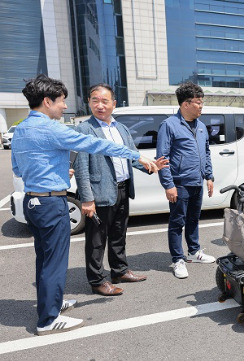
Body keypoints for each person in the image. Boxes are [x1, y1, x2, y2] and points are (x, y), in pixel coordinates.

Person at [11, 74, 159, 336]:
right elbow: (95, 144)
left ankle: (52, 304)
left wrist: (55, 171)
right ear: (47, 101)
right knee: (55, 262)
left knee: (44, 259)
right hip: (50, 203)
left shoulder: (21, 127)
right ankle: (47, 319)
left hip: (33, 201)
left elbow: (18, 168)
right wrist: (136, 154)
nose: (65, 107)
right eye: (61, 102)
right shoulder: (52, 128)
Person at [74, 83, 168, 296]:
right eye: (95, 100)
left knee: (119, 234)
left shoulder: (121, 128)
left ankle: (119, 270)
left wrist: (151, 166)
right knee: (97, 240)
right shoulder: (85, 129)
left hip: (123, 189)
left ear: (113, 104)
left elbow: (132, 156)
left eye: (104, 101)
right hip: (99, 193)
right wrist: (87, 199)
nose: (100, 105)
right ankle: (97, 280)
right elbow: (81, 167)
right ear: (89, 102)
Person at [156, 82, 216, 279]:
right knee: (177, 222)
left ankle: (193, 252)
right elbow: (162, 159)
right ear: (185, 104)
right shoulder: (169, 125)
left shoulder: (200, 126)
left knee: (193, 219)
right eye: (198, 103)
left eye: (201, 103)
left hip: (197, 181)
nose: (201, 106)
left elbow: (206, 152)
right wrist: (169, 185)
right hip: (179, 183)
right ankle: (177, 259)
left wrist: (209, 176)